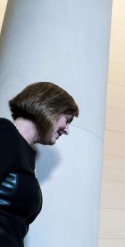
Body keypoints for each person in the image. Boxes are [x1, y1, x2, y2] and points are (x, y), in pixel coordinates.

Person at [0, 82, 79, 247]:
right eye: (67, 120)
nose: (67, 130)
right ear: (49, 108)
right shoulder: (5, 133)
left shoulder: (26, 153)